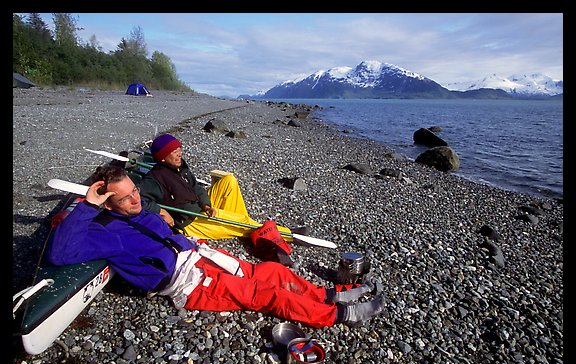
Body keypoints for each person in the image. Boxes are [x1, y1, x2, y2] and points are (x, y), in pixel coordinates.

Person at [46, 165, 385, 328]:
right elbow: (59, 254)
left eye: (135, 191)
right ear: (107, 202)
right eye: (127, 197)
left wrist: (168, 217)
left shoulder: (137, 209)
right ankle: (342, 314)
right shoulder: (100, 230)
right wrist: (87, 206)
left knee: (269, 270)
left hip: (200, 257)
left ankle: (330, 295)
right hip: (189, 284)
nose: (136, 199)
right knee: (268, 295)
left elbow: (158, 221)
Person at [139, 133, 305, 242]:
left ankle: (244, 228)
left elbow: (197, 188)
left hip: (199, 207)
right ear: (162, 157)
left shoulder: (180, 168)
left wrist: (206, 204)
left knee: (229, 181)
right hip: (190, 221)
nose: (179, 153)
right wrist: (161, 212)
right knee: (241, 221)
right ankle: (285, 234)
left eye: (179, 148)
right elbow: (141, 200)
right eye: (174, 151)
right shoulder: (155, 178)